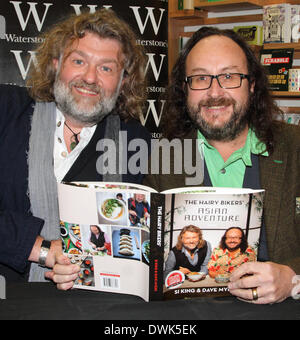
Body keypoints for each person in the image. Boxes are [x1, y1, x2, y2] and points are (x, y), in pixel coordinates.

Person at [144, 26, 300, 304]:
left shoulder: (295, 147)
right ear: (185, 89)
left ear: (252, 85)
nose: (215, 92)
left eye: (229, 76)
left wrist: (292, 278)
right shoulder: (163, 159)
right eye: (201, 78)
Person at [0, 9, 150, 283]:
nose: (90, 78)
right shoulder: (6, 109)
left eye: (106, 68)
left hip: (89, 304)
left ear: (123, 81)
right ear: (56, 64)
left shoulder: (133, 140)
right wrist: (41, 249)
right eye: (79, 61)